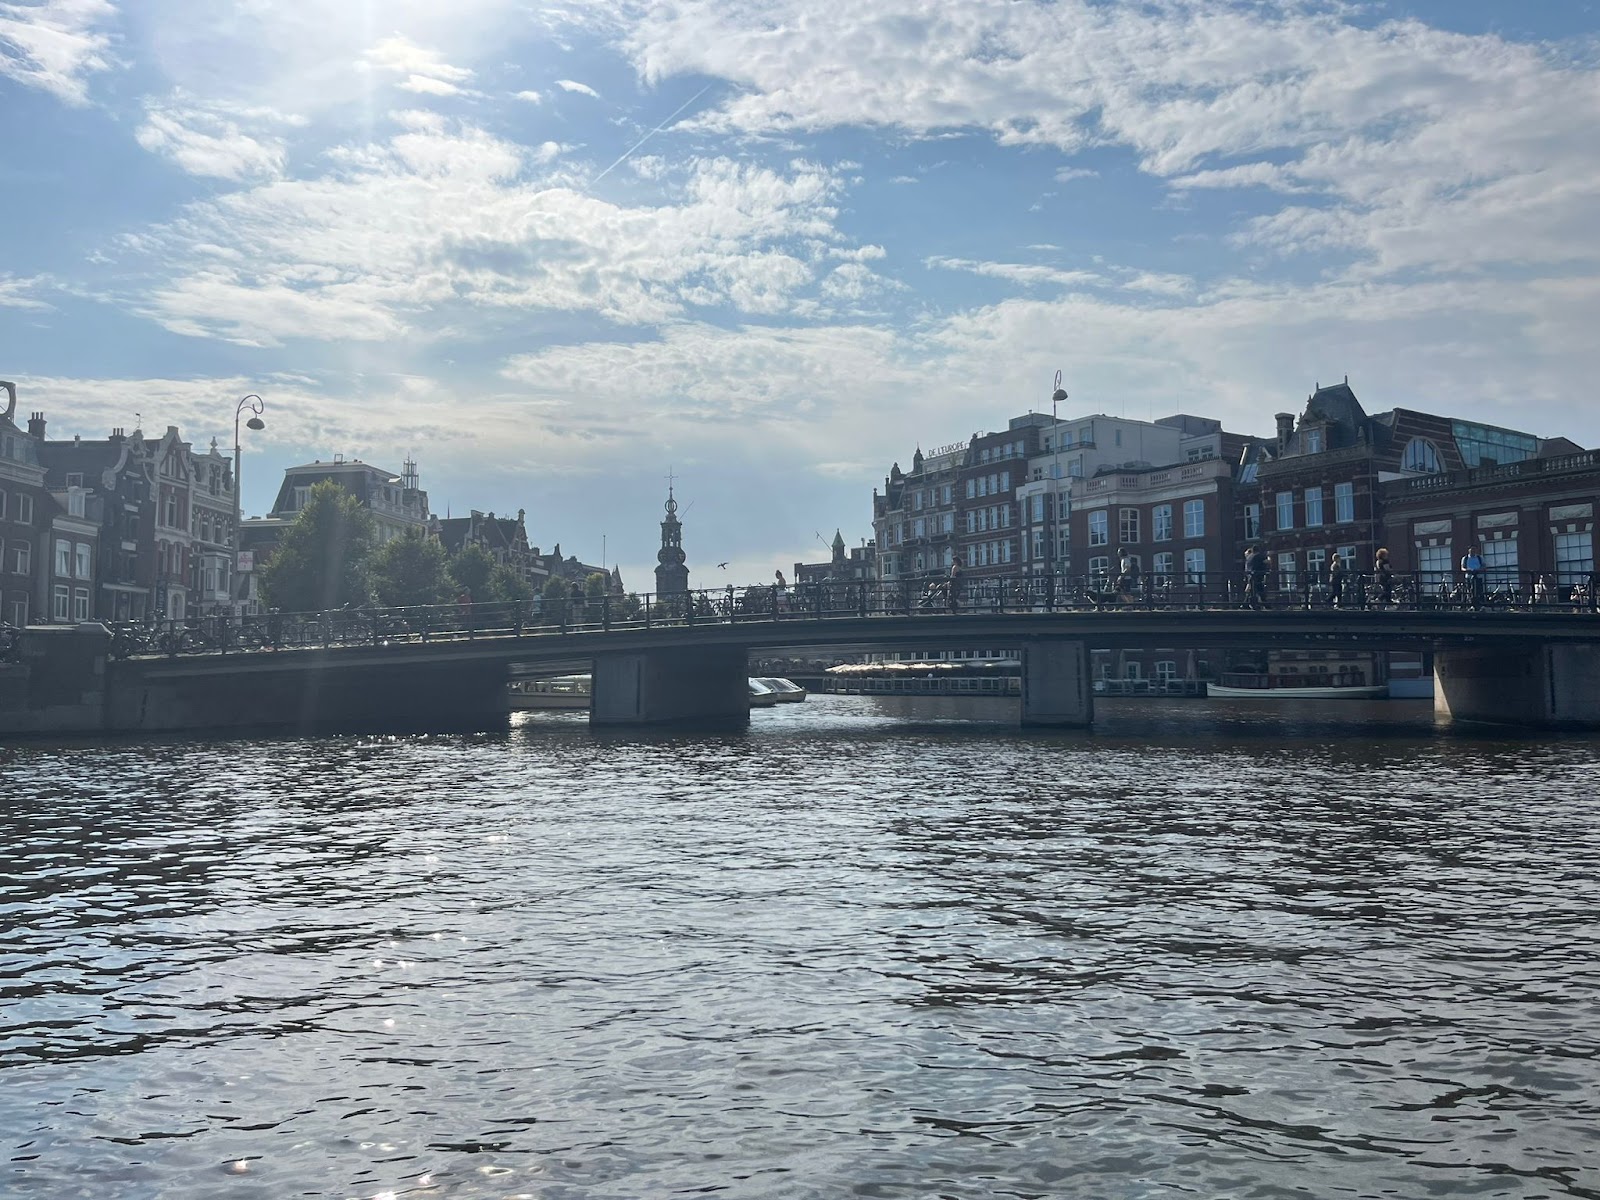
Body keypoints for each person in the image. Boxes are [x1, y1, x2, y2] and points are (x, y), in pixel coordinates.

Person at [1244, 544, 1268, 609]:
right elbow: (1266, 561)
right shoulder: (1258, 556)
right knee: (1260, 590)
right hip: (1257, 576)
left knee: (1252, 591)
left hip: (1250, 576)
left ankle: (1245, 605)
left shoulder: (1248, 557)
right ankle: (1267, 605)